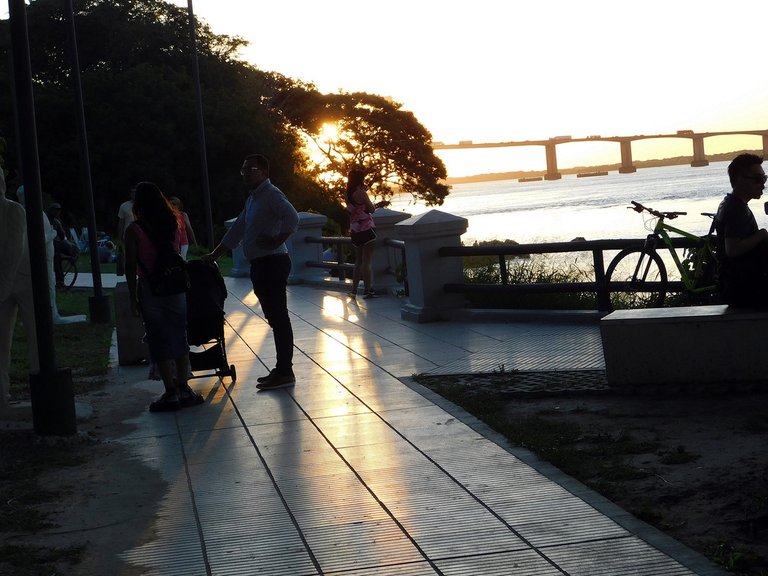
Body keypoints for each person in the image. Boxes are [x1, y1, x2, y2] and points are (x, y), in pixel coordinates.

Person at [202, 154, 299, 390]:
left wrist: (277, 240)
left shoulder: (272, 194)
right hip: (261, 264)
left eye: (251, 170)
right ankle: (282, 369)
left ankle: (285, 371)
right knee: (274, 318)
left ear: (264, 172)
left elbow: (292, 217)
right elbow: (237, 229)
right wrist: (214, 255)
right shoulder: (253, 199)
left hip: (273, 262)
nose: (245, 174)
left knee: (279, 317)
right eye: (243, 170)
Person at [124, 181, 203, 412]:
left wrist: (132, 297)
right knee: (179, 334)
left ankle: (170, 392)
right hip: (175, 286)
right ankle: (184, 387)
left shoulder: (134, 230)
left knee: (158, 338)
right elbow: (177, 251)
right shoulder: (173, 223)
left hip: (150, 288)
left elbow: (130, 266)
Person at [0, 172, 39, 411]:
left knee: (37, 338)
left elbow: (14, 252)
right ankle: (1, 397)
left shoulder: (14, 210)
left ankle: (43, 392)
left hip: (25, 280)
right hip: (2, 284)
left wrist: (2, 289)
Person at [713, 153, 768, 308]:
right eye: (757, 179)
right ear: (739, 179)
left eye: (764, 179)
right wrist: (762, 234)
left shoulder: (729, 203)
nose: (762, 185)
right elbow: (732, 249)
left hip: (737, 287)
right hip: (744, 289)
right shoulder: (736, 208)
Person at [345, 168, 377, 299]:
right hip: (367, 228)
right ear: (361, 180)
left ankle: (354, 291)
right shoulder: (362, 194)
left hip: (355, 230)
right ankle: (368, 291)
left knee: (358, 261)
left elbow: (350, 211)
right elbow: (372, 209)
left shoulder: (348, 195)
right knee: (367, 261)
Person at [46, 202, 78, 288]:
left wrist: (63, 236)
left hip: (56, 245)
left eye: (58, 210)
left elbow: (62, 235)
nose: (58, 212)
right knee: (56, 259)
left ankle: (60, 281)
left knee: (61, 255)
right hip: (49, 245)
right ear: (51, 210)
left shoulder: (56, 222)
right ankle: (59, 281)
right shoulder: (46, 220)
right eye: (56, 210)